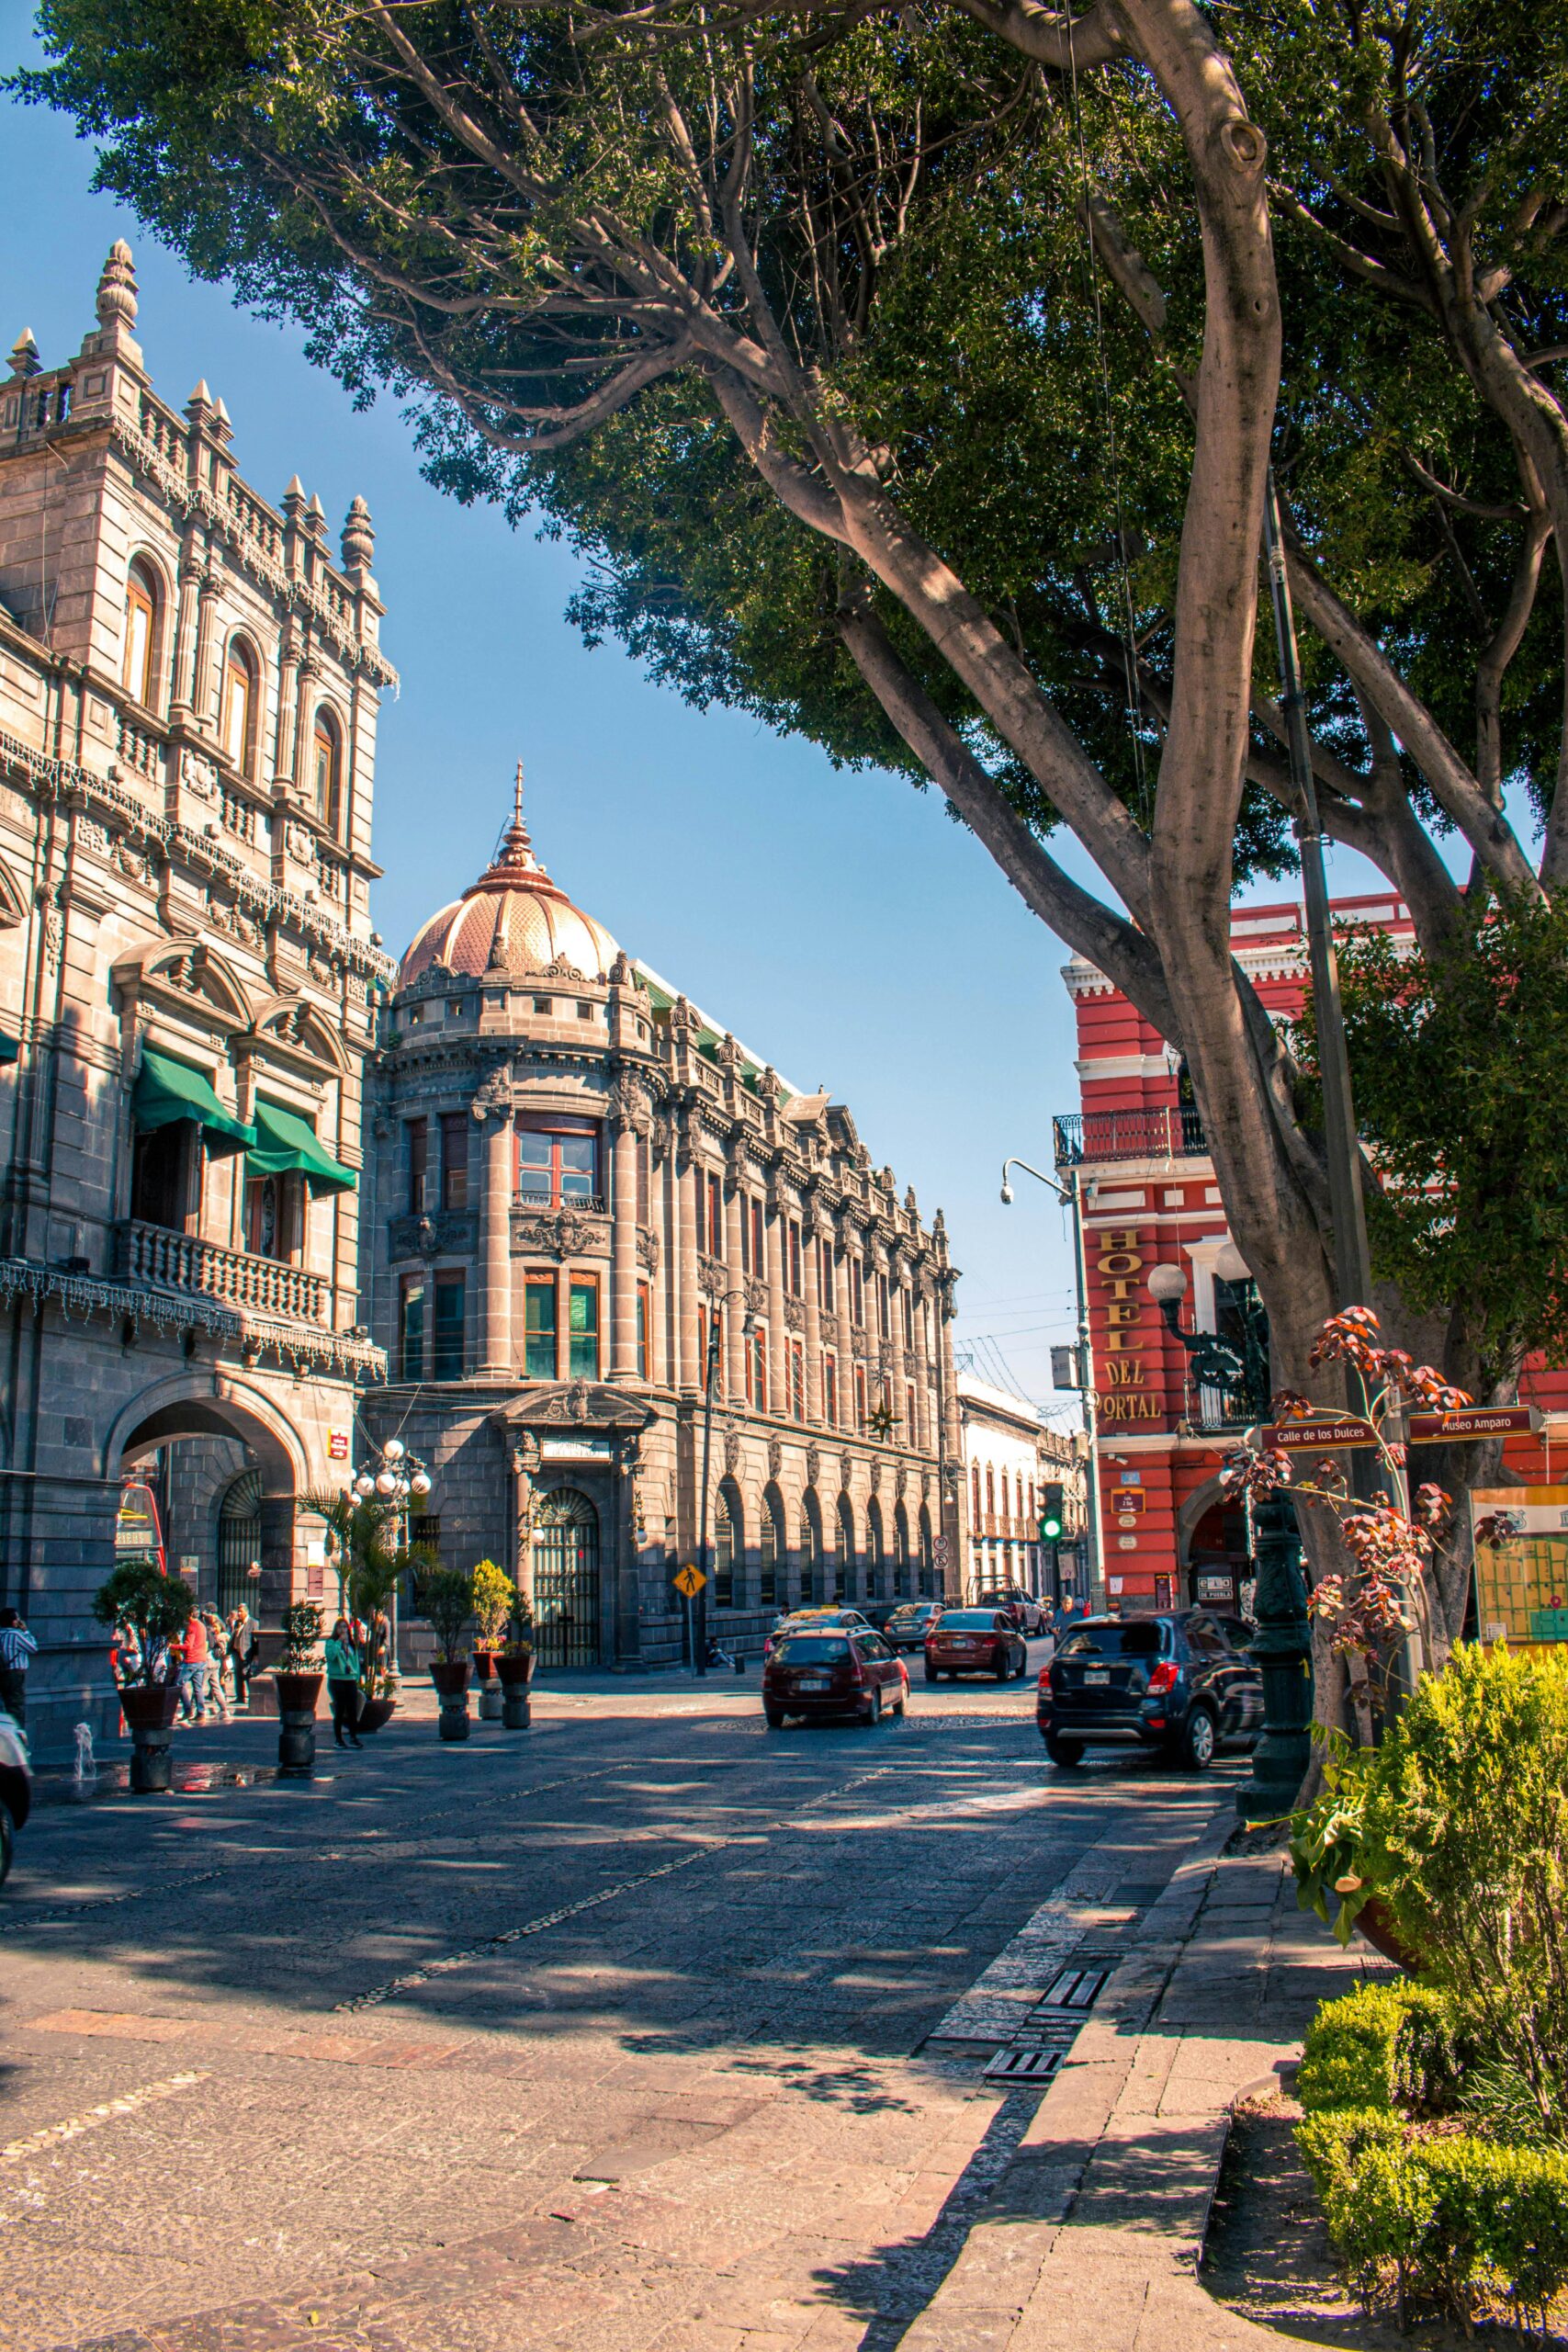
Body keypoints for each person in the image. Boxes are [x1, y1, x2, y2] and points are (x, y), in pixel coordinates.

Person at [324, 1619, 362, 1748]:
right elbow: (331, 1656)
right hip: (337, 1679)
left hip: (350, 1679)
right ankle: (338, 1739)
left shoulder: (351, 1644)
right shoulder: (331, 1642)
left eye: (345, 1627)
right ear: (336, 1629)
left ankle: (353, 1737)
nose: (343, 1630)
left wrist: (356, 1675)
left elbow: (355, 1660)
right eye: (340, 1627)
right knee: (339, 1709)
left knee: (352, 1710)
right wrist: (339, 1642)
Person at [0, 1607, 38, 1729]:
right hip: (15, 1674)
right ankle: (16, 1734)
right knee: (15, 1705)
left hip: (2, 1672)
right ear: (14, 1621)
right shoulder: (16, 1635)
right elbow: (33, 1648)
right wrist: (25, 1631)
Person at [177, 1610, 211, 1722]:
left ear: (190, 1614)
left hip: (192, 1660)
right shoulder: (202, 1625)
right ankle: (201, 1712)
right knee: (198, 1688)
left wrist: (172, 1646)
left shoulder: (192, 1627)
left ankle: (188, 1710)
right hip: (201, 1659)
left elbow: (188, 1646)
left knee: (179, 1684)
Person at [226, 1607, 257, 1708]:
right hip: (236, 1653)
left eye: (241, 1611)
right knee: (238, 1676)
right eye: (238, 1611)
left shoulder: (253, 1623)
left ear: (246, 1612)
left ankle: (252, 1697)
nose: (239, 1613)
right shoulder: (237, 1623)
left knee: (247, 1675)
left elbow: (256, 1640)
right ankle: (240, 1696)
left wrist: (256, 1655)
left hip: (247, 1654)